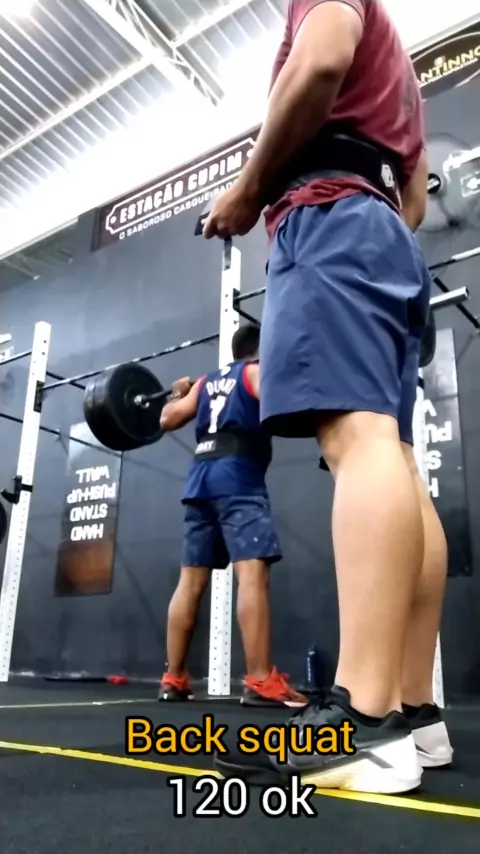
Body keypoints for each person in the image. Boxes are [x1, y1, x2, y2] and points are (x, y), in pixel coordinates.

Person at [203, 0, 452, 793]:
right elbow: (414, 201)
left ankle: (365, 724)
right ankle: (414, 712)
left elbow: (317, 66)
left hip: (330, 219)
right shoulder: (401, 70)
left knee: (359, 443)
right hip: (380, 231)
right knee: (395, 458)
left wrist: (249, 189)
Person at [158, 323, 306, 708]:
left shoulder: (206, 382)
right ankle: (260, 681)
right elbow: (289, 402)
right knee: (252, 575)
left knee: (190, 581)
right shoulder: (256, 373)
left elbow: (166, 419)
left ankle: (173, 679)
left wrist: (178, 394)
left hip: (199, 478)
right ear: (261, 349)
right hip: (237, 474)